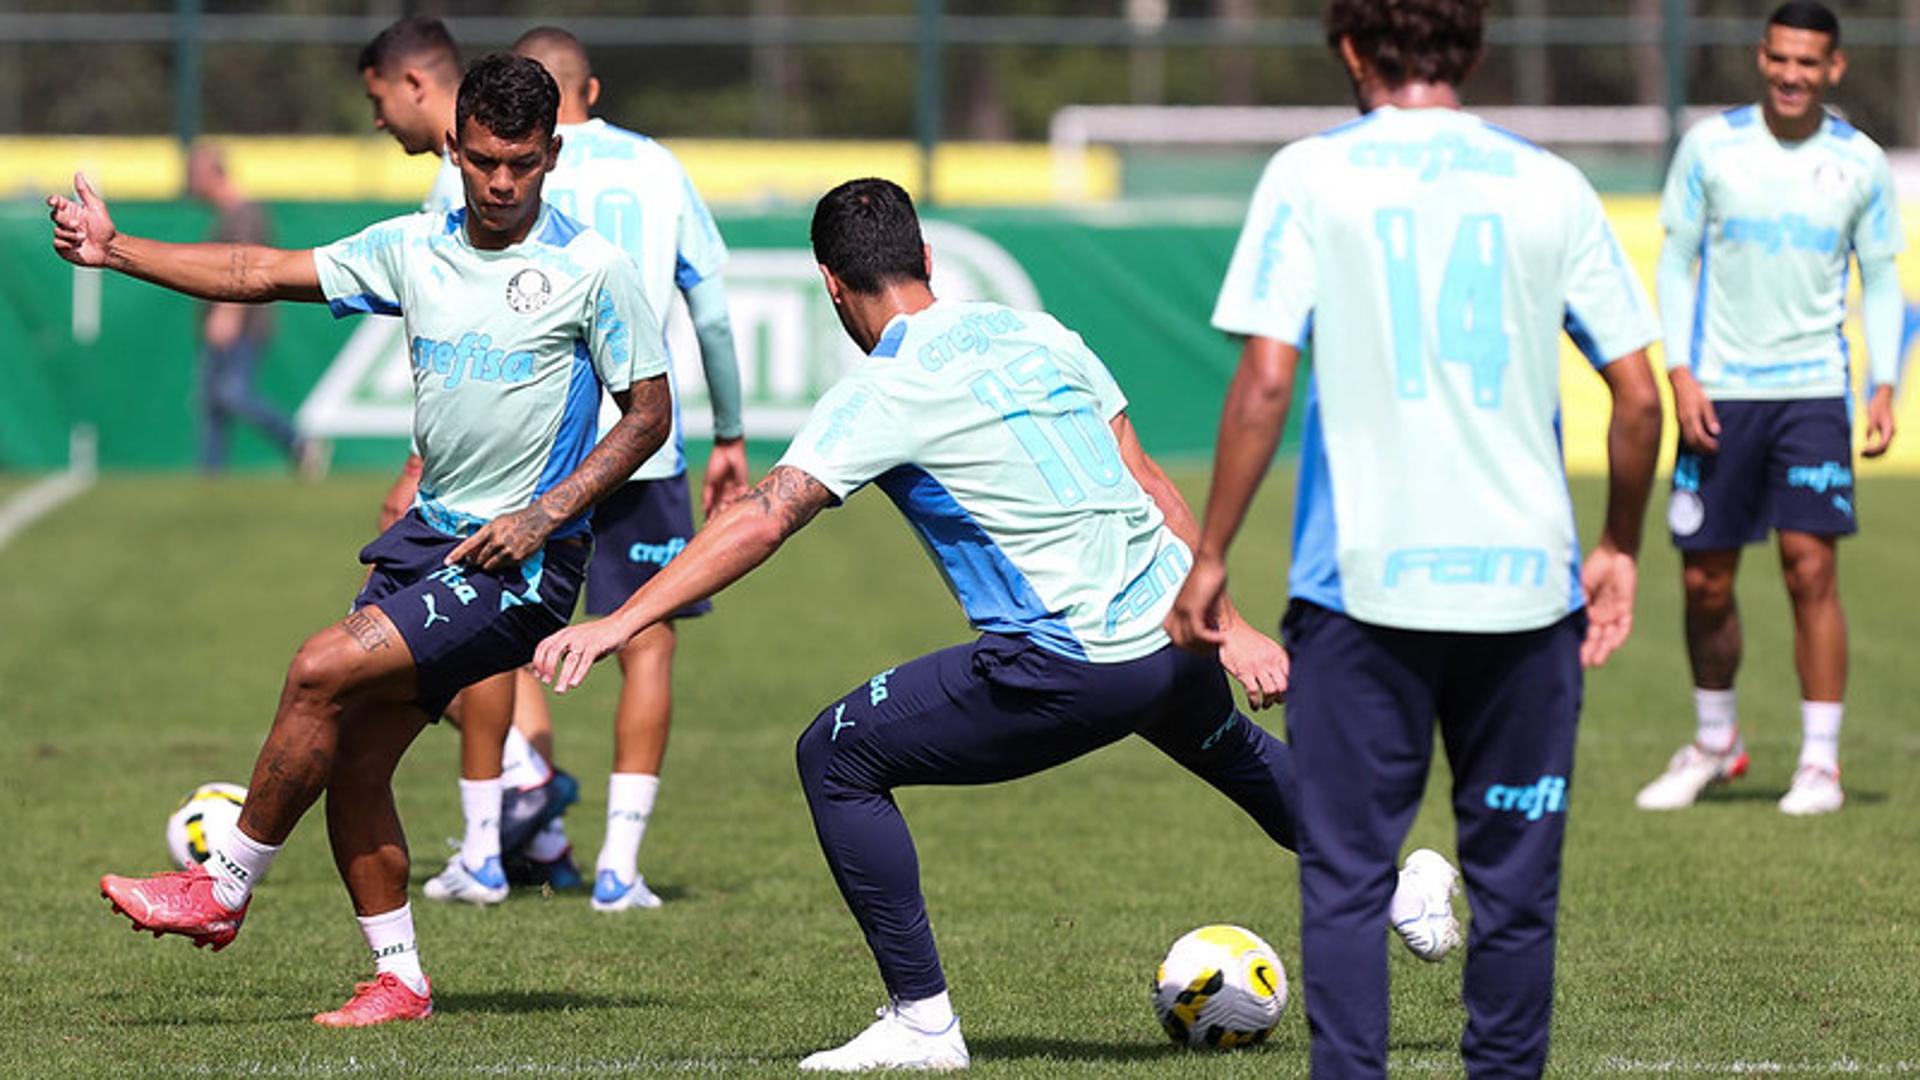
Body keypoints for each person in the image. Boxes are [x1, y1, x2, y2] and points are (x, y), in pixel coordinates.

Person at [534, 178, 1465, 1073]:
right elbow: (1146, 481)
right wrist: (1231, 626)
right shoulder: (1040, 333)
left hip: (1074, 660)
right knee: (1230, 750)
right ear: (927, 256)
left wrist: (620, 619)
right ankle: (1396, 883)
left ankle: (923, 1024)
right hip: (1169, 630)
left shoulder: (885, 387)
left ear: (829, 284)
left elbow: (765, 513)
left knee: (837, 755)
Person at [74, 54, 671, 1026]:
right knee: (350, 758)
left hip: (519, 563)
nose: (502, 182)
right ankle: (400, 979)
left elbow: (647, 415)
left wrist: (547, 514)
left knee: (317, 669)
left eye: (522, 163)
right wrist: (112, 249)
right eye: (484, 161)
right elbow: (254, 272)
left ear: (553, 153)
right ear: (456, 148)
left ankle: (221, 886)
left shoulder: (592, 270)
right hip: (431, 540)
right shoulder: (412, 250)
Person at [1164, 0, 1664, 1074]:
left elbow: (1263, 377)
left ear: (1351, 47)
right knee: (1518, 894)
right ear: (1474, 52)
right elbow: (1637, 397)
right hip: (1526, 600)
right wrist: (1618, 543)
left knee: (1347, 884)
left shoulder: (1311, 175)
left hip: (1360, 599)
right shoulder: (1552, 186)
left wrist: (1210, 557)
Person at [483, 25, 749, 910]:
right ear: (588, 90)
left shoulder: (505, 166)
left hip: (534, 440)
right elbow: (709, 313)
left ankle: (504, 837)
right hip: (644, 438)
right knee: (647, 642)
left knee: (499, 635)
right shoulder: (658, 167)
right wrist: (732, 432)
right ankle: (618, 868)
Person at [1635, 0, 1902, 817]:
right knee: (1707, 582)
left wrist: (1883, 381)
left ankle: (1819, 764)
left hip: (1814, 390)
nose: (1791, 74)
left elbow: (1884, 278)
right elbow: (1674, 260)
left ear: (1834, 69)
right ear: (1763, 58)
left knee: (1810, 569)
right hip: (1717, 391)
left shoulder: (1859, 163)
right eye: (1779, 59)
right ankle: (1717, 742)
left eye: (1808, 62)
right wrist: (1679, 371)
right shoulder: (1710, 148)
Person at [356, 17, 582, 900]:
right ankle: (530, 832)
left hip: (529, 482)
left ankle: (515, 790)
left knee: (444, 632)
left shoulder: (464, 207)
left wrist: (425, 469)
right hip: (549, 474)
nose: (379, 120)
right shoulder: (551, 170)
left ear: (418, 87)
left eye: (379, 99)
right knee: (488, 632)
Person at [183, 142, 317, 475]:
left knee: (232, 394)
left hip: (243, 327)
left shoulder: (245, 213)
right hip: (226, 324)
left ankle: (297, 442)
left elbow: (243, 267)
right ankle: (211, 474)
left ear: (212, 174)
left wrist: (227, 313)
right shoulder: (229, 215)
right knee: (213, 401)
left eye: (194, 175)